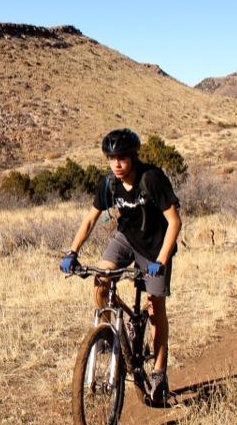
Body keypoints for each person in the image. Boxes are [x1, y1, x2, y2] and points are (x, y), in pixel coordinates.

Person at [59, 129, 182, 405]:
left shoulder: (151, 179)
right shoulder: (108, 184)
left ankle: (160, 373)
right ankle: (105, 333)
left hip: (155, 246)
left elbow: (174, 222)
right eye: (111, 158)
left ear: (133, 157)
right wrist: (72, 252)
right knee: (101, 279)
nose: (117, 164)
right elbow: (91, 219)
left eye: (122, 158)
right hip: (126, 238)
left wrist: (161, 261)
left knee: (155, 306)